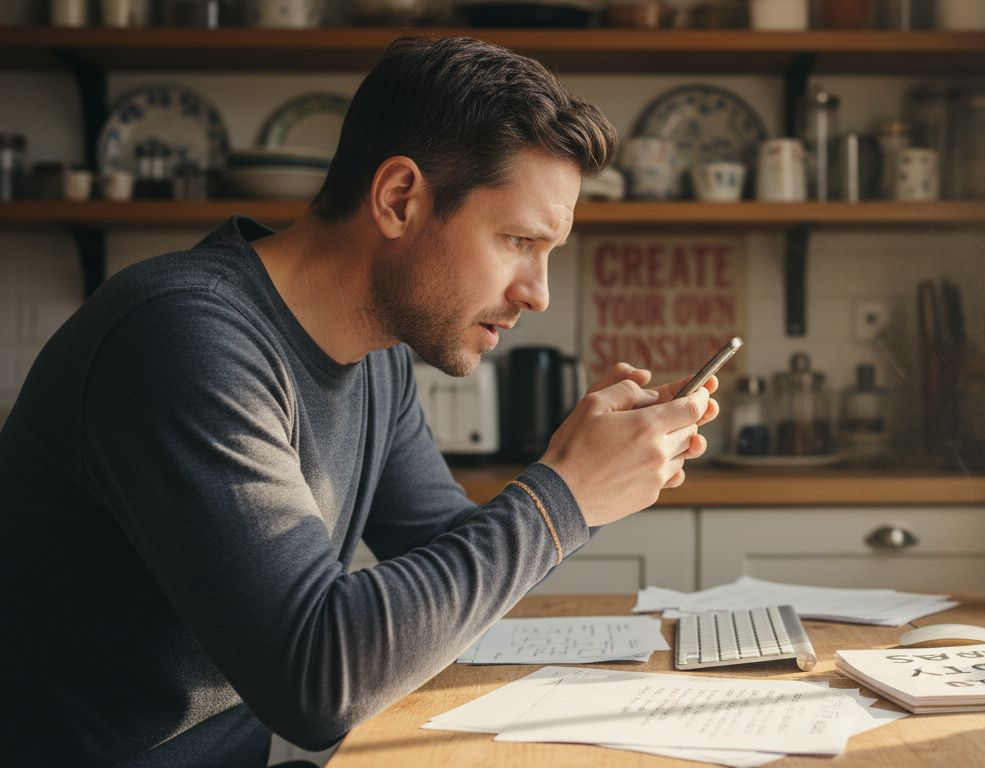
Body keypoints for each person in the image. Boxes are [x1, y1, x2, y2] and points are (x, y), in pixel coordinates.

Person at [0, 36, 718, 767]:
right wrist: (564, 496)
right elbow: (317, 681)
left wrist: (593, 475)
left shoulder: (375, 358)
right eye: (517, 241)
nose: (538, 293)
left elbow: (447, 546)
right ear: (399, 199)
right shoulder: (180, 340)